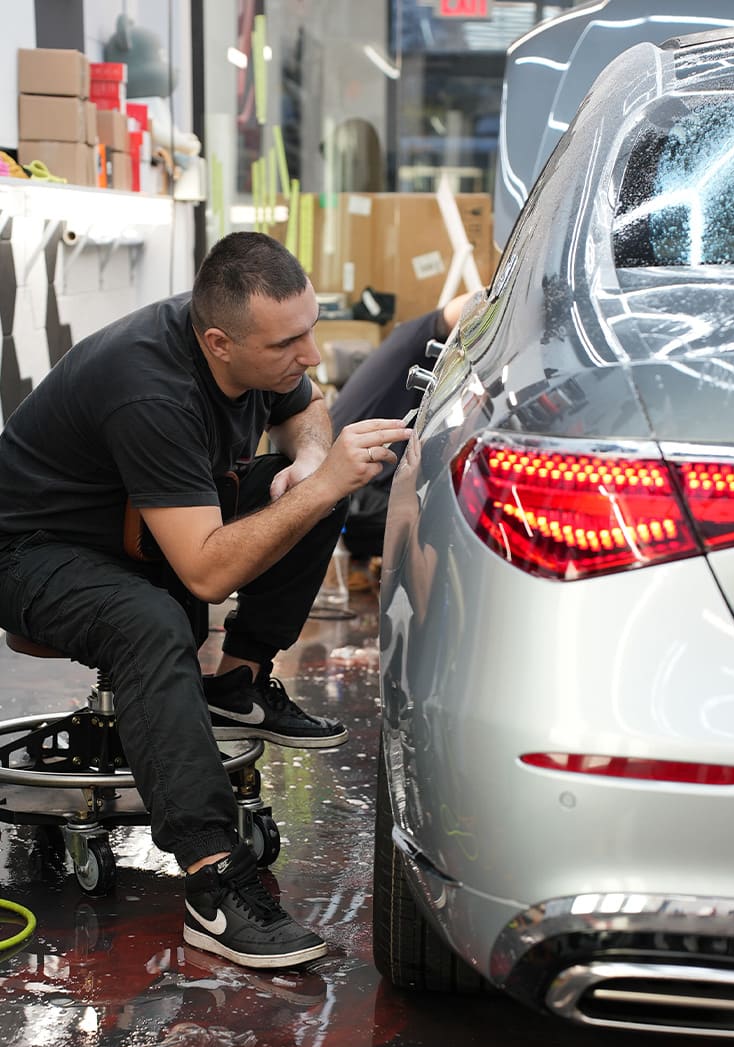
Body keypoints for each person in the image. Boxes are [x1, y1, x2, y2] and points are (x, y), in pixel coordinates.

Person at [0, 231, 411, 970]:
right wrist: (321, 485)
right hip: (34, 552)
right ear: (219, 342)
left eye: (309, 330)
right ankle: (212, 880)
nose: (310, 354)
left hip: (135, 530)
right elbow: (205, 577)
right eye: (290, 342)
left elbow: (307, 406)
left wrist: (311, 463)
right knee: (151, 621)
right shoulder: (149, 387)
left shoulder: (252, 344)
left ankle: (237, 683)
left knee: (309, 493)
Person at [329, 291, 473, 579]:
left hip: (357, 487)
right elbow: (468, 304)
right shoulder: (413, 339)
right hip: (350, 496)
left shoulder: (414, 349)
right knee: (455, 524)